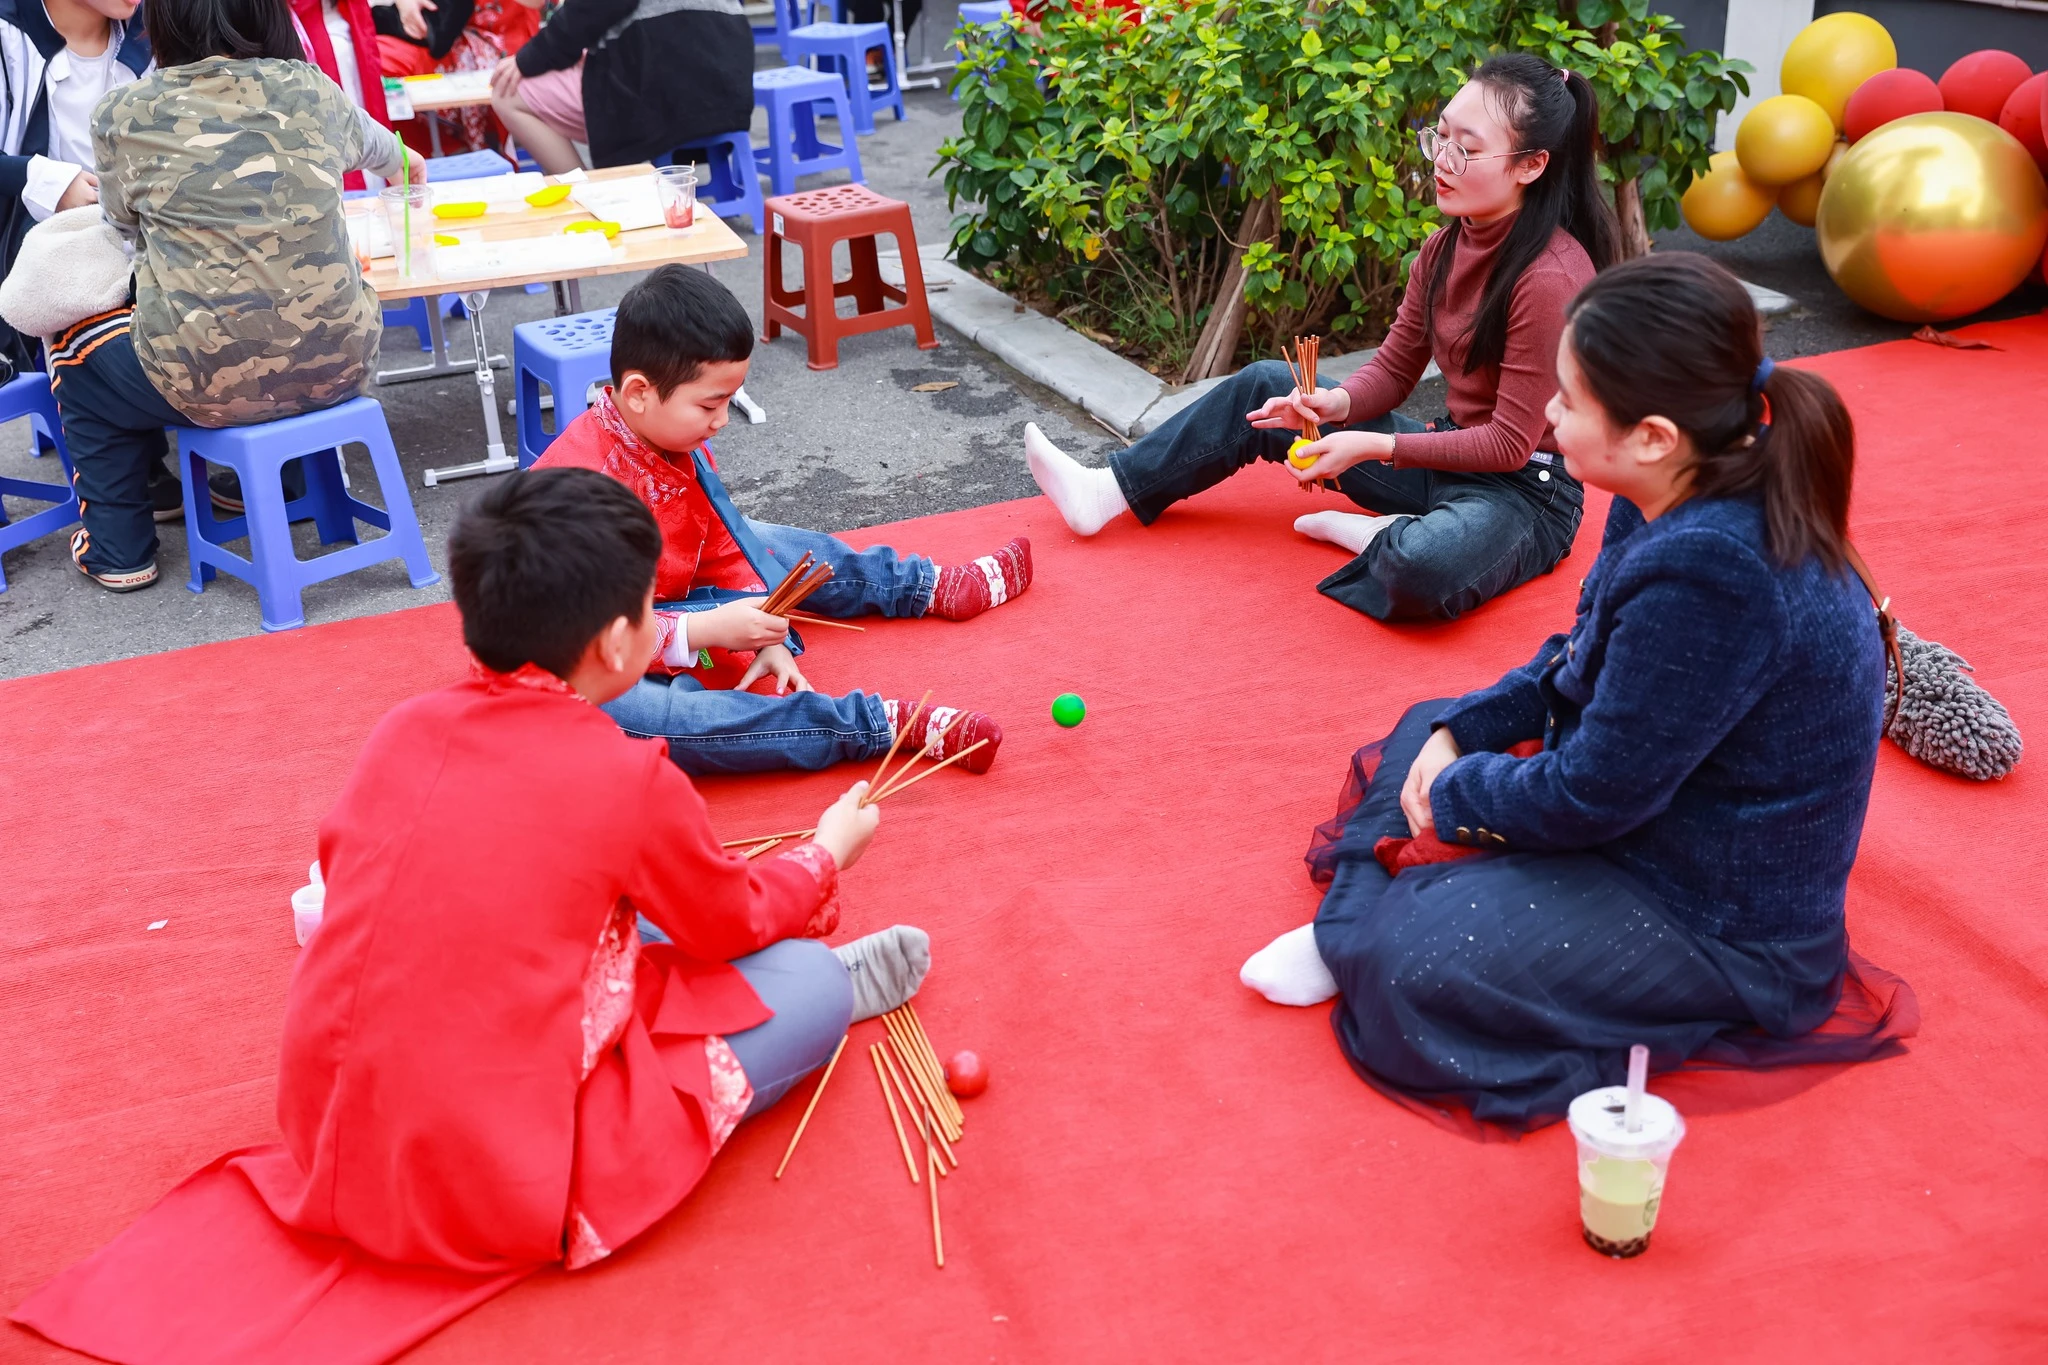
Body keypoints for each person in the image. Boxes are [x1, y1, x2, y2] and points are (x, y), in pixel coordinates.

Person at [11, 467, 938, 1362]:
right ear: (619, 643)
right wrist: (824, 853)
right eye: (652, 612)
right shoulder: (627, 775)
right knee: (807, 981)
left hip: (335, 1130)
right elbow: (728, 919)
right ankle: (809, 992)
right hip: (503, 1173)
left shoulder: (403, 728)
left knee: (619, 920)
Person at [1238, 252, 1917, 1133]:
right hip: (1649, 804)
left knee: (1414, 961)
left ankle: (1369, 924)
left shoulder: (1717, 569)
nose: (1548, 415)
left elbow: (1596, 794)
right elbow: (1582, 653)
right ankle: (1378, 910)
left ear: (1653, 434)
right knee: (1430, 727)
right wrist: (1464, 739)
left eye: (1568, 399)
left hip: (1710, 908)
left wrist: (1458, 794)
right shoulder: (1669, 483)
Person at [1023, 53, 1618, 622]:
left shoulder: (1548, 279)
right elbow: (1394, 369)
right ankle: (1107, 492)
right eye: (1439, 137)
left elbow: (1509, 445)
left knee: (1423, 567)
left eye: (1466, 149)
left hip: (1525, 491)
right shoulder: (1443, 248)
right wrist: (1334, 404)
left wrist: (1374, 446)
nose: (1442, 160)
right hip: (1451, 455)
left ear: (1531, 165)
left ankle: (1391, 536)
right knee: (1267, 384)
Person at [534, 264, 1031, 775]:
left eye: (728, 401)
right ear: (639, 392)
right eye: (710, 404)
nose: (722, 421)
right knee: (658, 718)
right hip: (573, 664)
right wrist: (704, 630)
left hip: (664, 605)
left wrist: (766, 628)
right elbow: (586, 638)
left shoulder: (673, 436)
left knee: (761, 539)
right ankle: (866, 726)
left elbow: (725, 542)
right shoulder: (573, 496)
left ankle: (924, 586)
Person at [47, 0, 421, 591]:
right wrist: (408, 177)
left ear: (164, 21)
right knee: (285, 318)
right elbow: (397, 158)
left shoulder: (125, 112)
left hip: (204, 382)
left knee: (74, 349)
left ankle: (120, 550)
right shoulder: (311, 88)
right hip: (346, 362)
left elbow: (120, 227)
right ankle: (278, 487)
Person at [0, 0, 150, 375]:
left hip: (153, 272)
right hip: (40, 281)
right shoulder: (8, 32)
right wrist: (42, 180)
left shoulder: (159, 27)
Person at [488, 0, 749, 175]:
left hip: (667, 95)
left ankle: (585, 194)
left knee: (507, 94)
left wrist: (530, 58)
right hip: (728, 86)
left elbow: (589, 11)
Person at [376, 0, 538, 152]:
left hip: (498, 40)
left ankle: (446, 151)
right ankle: (431, 152)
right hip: (437, 30)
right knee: (372, 61)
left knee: (381, 61)